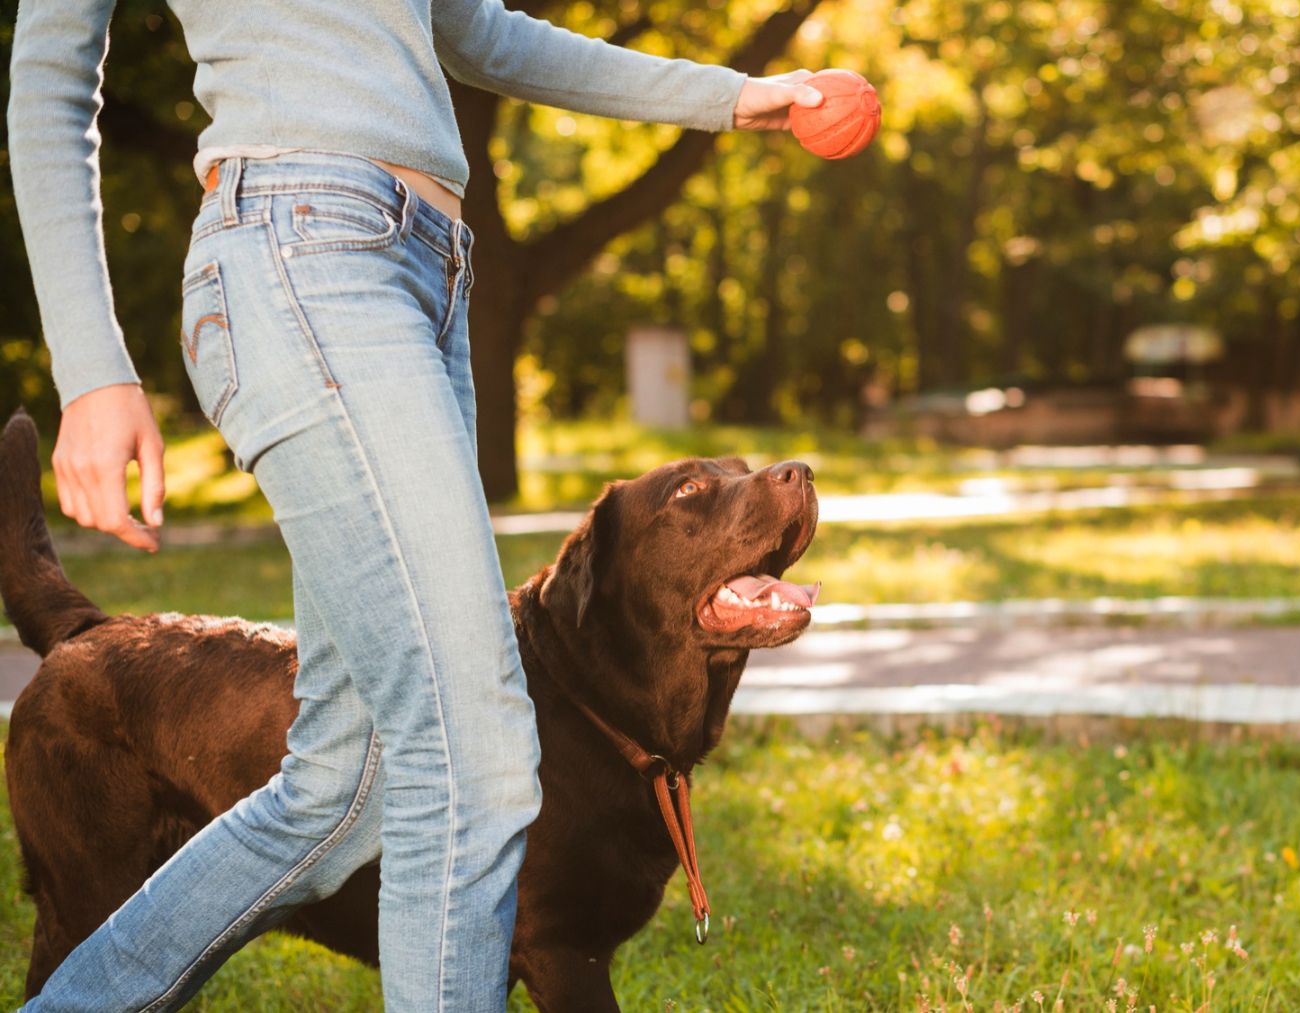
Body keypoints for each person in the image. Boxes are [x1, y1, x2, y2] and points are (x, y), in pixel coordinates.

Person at [7, 0, 824, 1008]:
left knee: (339, 786)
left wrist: (733, 97)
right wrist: (91, 366)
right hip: (304, 249)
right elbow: (50, 70)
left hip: (427, 270)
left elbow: (475, 27)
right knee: (475, 756)